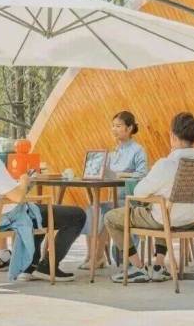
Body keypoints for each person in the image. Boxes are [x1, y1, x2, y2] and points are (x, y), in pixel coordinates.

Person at [0, 107, 86, 282]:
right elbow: (17, 197)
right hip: (6, 216)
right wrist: (24, 180)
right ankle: (47, 267)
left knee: (38, 213)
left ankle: (30, 267)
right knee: (76, 215)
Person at [104, 112, 194, 283]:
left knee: (110, 217)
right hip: (191, 219)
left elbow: (139, 192)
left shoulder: (166, 164)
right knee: (163, 209)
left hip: (165, 219)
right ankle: (159, 266)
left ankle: (138, 267)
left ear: (172, 136)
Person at [78, 111, 147, 270]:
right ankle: (90, 255)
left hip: (131, 201)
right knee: (92, 209)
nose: (114, 129)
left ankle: (98, 257)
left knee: (105, 211)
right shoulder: (115, 152)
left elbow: (143, 175)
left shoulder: (138, 150)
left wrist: (123, 175)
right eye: (113, 126)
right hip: (116, 199)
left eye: (118, 126)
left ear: (129, 128)